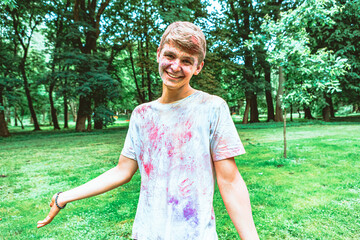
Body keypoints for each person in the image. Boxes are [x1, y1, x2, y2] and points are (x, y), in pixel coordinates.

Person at [37, 21, 259, 240]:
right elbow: (122, 171)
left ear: (198, 67)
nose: (175, 66)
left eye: (186, 61)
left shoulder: (212, 108)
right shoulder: (141, 115)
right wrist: (64, 197)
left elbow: (229, 181)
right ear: (158, 53)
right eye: (170, 56)